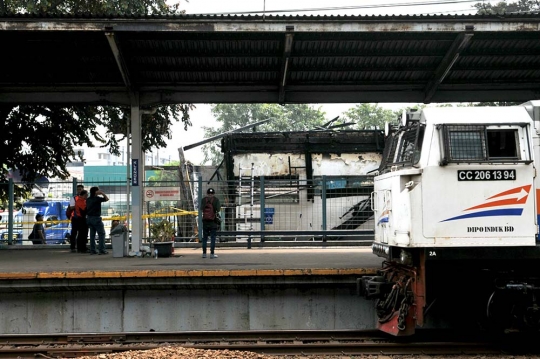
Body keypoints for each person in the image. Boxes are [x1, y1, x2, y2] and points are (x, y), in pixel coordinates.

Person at [86, 186, 109, 255]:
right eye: (98, 190)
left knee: (92, 235)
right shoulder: (97, 199)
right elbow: (106, 199)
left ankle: (93, 250)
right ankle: (102, 249)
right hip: (96, 218)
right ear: (96, 192)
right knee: (101, 234)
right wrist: (102, 193)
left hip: (89, 218)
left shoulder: (88, 199)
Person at [200, 187, 221, 259]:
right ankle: (212, 254)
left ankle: (204, 254)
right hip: (213, 222)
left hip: (205, 222)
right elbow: (218, 209)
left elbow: (201, 209)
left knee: (205, 238)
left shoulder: (203, 200)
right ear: (214, 194)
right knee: (213, 238)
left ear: (207, 193)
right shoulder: (216, 200)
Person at [68, 184, 84, 253]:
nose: (79, 191)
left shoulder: (85, 198)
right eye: (78, 189)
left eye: (80, 189)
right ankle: (73, 247)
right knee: (74, 233)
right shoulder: (74, 198)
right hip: (75, 218)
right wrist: (78, 205)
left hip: (83, 218)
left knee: (82, 233)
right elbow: (71, 207)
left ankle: (80, 247)